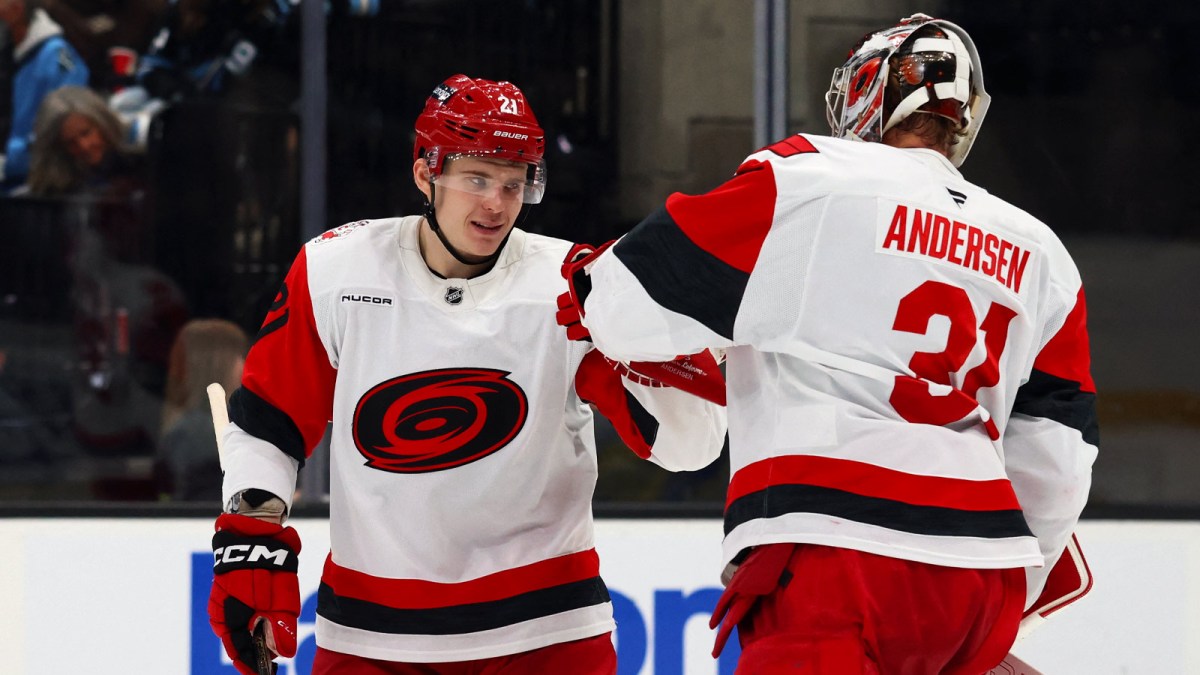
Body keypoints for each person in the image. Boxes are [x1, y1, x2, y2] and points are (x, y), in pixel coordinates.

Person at [558, 14, 1098, 674]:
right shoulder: (1042, 253)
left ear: (869, 93)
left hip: (834, 553)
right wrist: (1003, 594)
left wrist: (587, 285)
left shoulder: (809, 177)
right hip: (977, 580)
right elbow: (1058, 461)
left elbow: (627, 301)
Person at [206, 73, 727, 675]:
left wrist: (662, 347)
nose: (496, 204)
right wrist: (252, 532)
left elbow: (689, 448)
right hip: (372, 637)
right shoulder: (335, 272)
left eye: (513, 184)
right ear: (424, 173)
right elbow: (270, 421)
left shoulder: (574, 284)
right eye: (476, 179)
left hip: (546, 635)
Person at [0, 0, 90, 190]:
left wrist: (9, 162)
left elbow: (65, 128)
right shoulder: (8, 52)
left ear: (17, 7)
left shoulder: (58, 55)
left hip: (39, 180)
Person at [157, 318, 248, 501]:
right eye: (239, 356)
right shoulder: (196, 432)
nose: (245, 365)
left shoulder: (193, 426)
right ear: (219, 364)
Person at [26, 84, 144, 197]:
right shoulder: (55, 187)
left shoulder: (139, 157)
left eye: (86, 133)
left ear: (103, 123)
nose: (84, 146)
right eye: (70, 142)